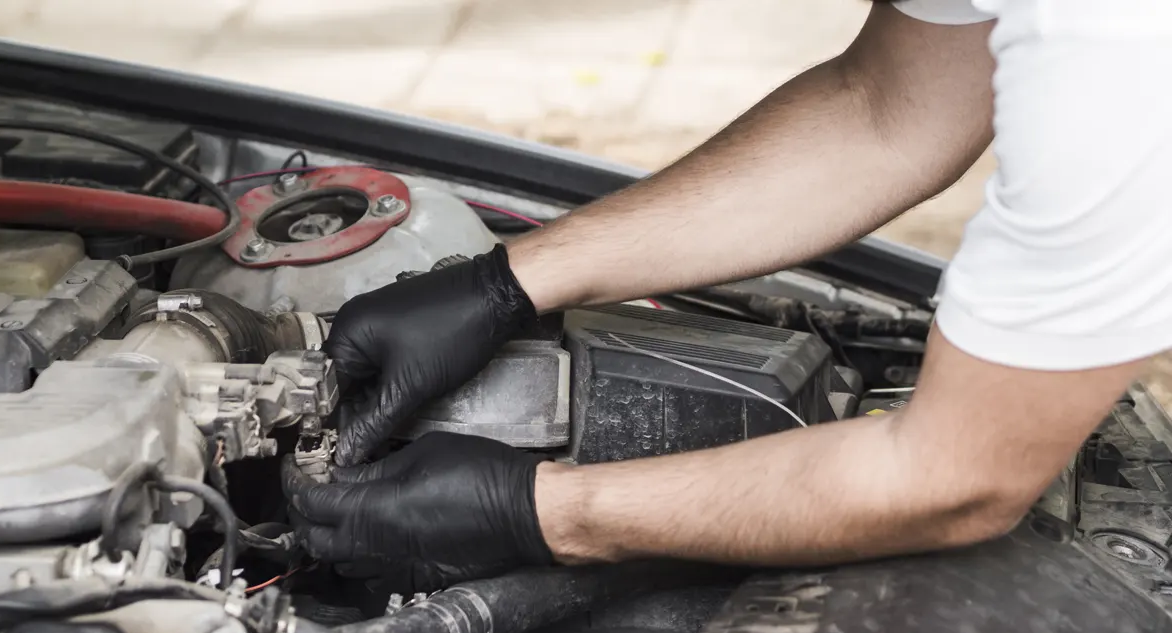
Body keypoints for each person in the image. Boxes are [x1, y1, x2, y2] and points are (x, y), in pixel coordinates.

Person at [283, 0, 1172, 588]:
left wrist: (543, 511)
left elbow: (955, 475)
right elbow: (888, 109)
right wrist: (507, 281)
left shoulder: (1117, 53)